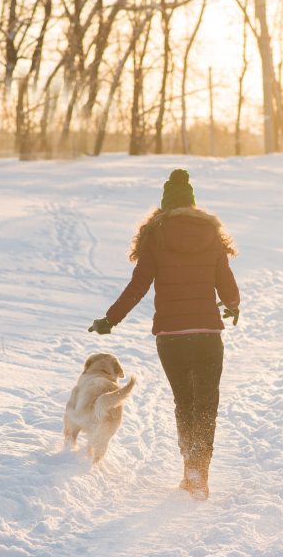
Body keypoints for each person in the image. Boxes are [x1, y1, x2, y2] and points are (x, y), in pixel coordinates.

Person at [88, 169, 240, 500]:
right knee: (207, 404)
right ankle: (201, 471)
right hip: (207, 334)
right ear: (192, 204)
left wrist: (110, 320)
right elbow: (226, 282)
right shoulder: (211, 235)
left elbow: (137, 286)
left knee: (185, 401)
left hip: (171, 336)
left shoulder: (156, 236)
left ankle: (190, 468)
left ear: (165, 205)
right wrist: (233, 305)